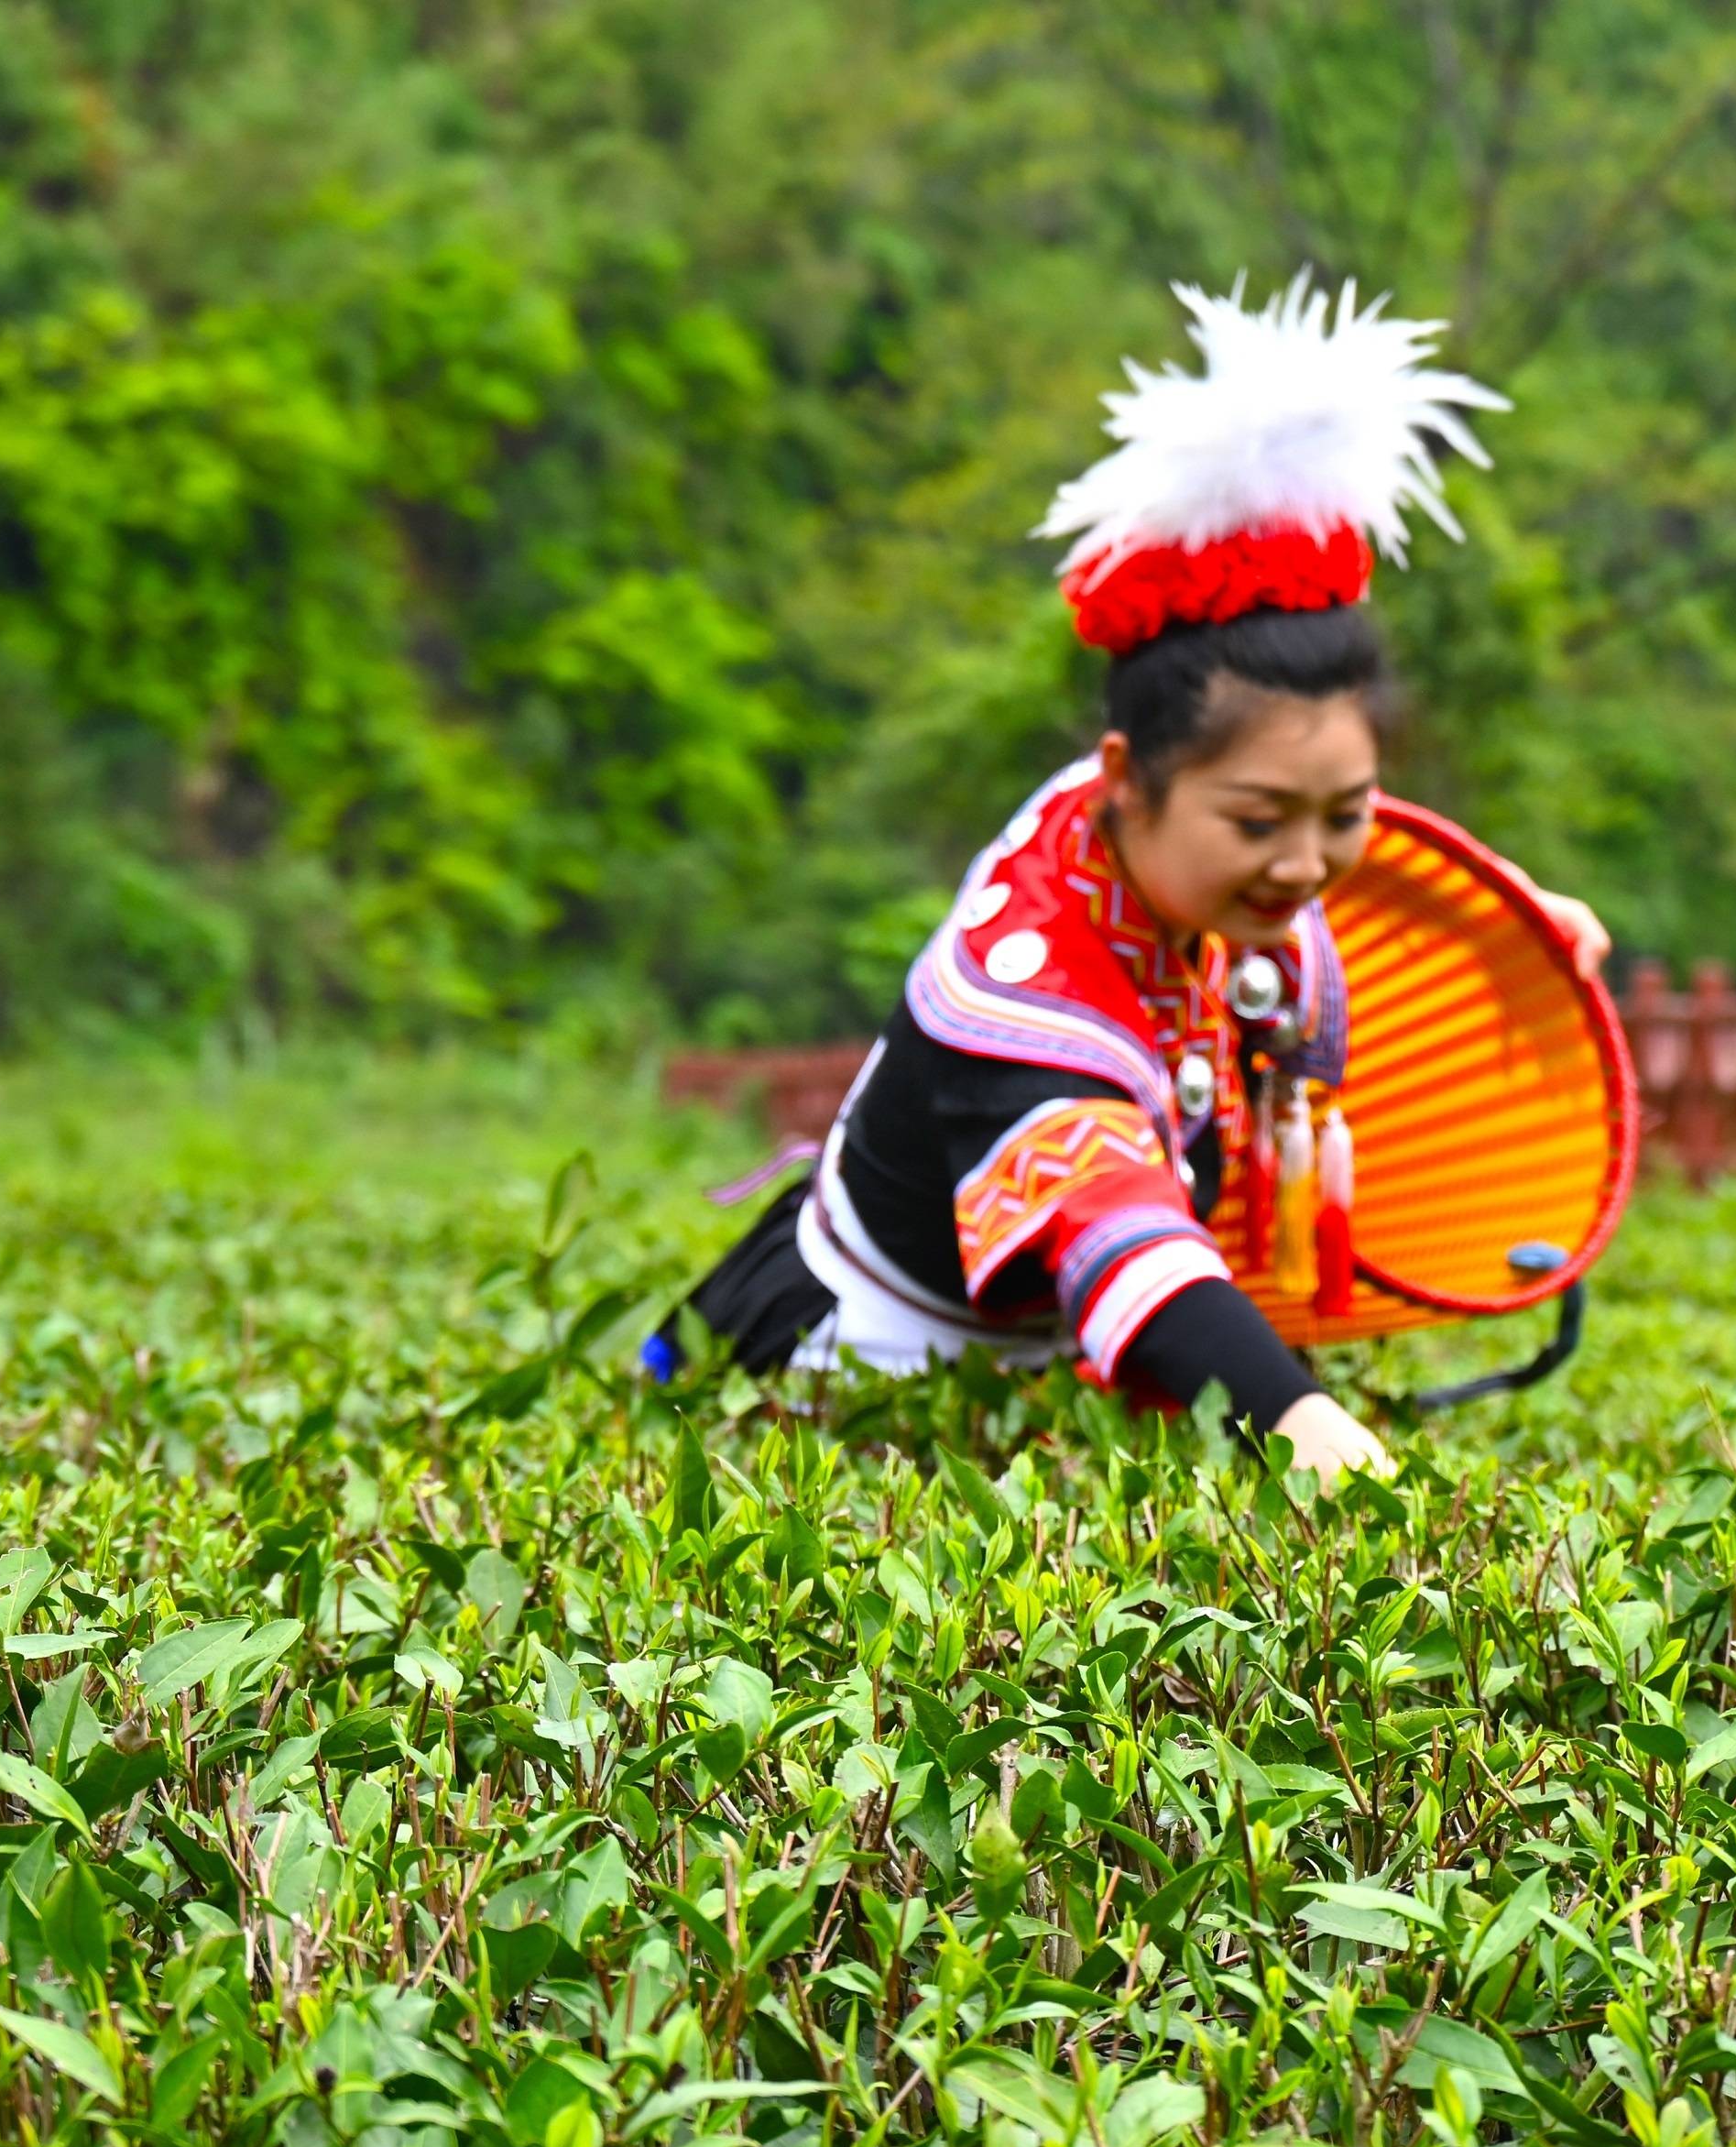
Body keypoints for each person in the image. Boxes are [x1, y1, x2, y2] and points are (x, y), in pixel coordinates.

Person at [650, 277, 1607, 1480]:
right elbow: (1124, 1245)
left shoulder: (1170, 843)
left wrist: (1512, 909)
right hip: (877, 1376)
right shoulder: (1025, 990)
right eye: (1262, 819)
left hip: (1055, 1366)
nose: (1306, 863)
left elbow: (1358, 841)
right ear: (1127, 779)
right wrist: (1309, 1425)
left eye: (1342, 814)